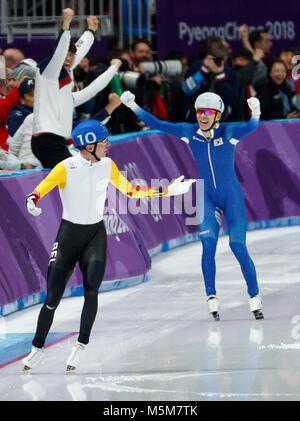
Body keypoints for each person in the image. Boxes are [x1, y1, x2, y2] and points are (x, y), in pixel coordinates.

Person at [22, 119, 195, 372]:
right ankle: (37, 348)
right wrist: (31, 201)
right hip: (68, 236)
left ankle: (81, 346)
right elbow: (38, 191)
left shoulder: (108, 165)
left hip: (95, 235)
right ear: (88, 145)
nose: (108, 145)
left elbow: (132, 191)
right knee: (52, 298)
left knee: (91, 291)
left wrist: (167, 191)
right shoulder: (66, 167)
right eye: (104, 142)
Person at [120, 89, 264, 321]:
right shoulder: (189, 132)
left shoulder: (229, 132)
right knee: (208, 246)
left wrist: (255, 113)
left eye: (207, 112)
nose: (202, 116)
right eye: (199, 112)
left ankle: (254, 295)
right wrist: (133, 106)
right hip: (207, 197)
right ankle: (211, 296)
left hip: (232, 197)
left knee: (238, 246)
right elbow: (157, 123)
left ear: (217, 115)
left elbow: (251, 127)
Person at [31, 8, 122, 169]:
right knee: (79, 174)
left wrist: (90, 31)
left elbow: (93, 88)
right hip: (47, 141)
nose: (69, 59)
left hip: (56, 142)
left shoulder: (65, 92)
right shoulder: (47, 72)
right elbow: (60, 53)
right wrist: (65, 26)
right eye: (66, 55)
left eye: (72, 56)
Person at [182, 37, 238, 122]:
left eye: (219, 58)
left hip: (221, 122)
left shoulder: (230, 73)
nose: (216, 61)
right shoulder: (197, 67)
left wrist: (220, 75)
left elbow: (229, 100)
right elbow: (186, 90)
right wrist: (203, 71)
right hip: (196, 120)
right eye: (214, 58)